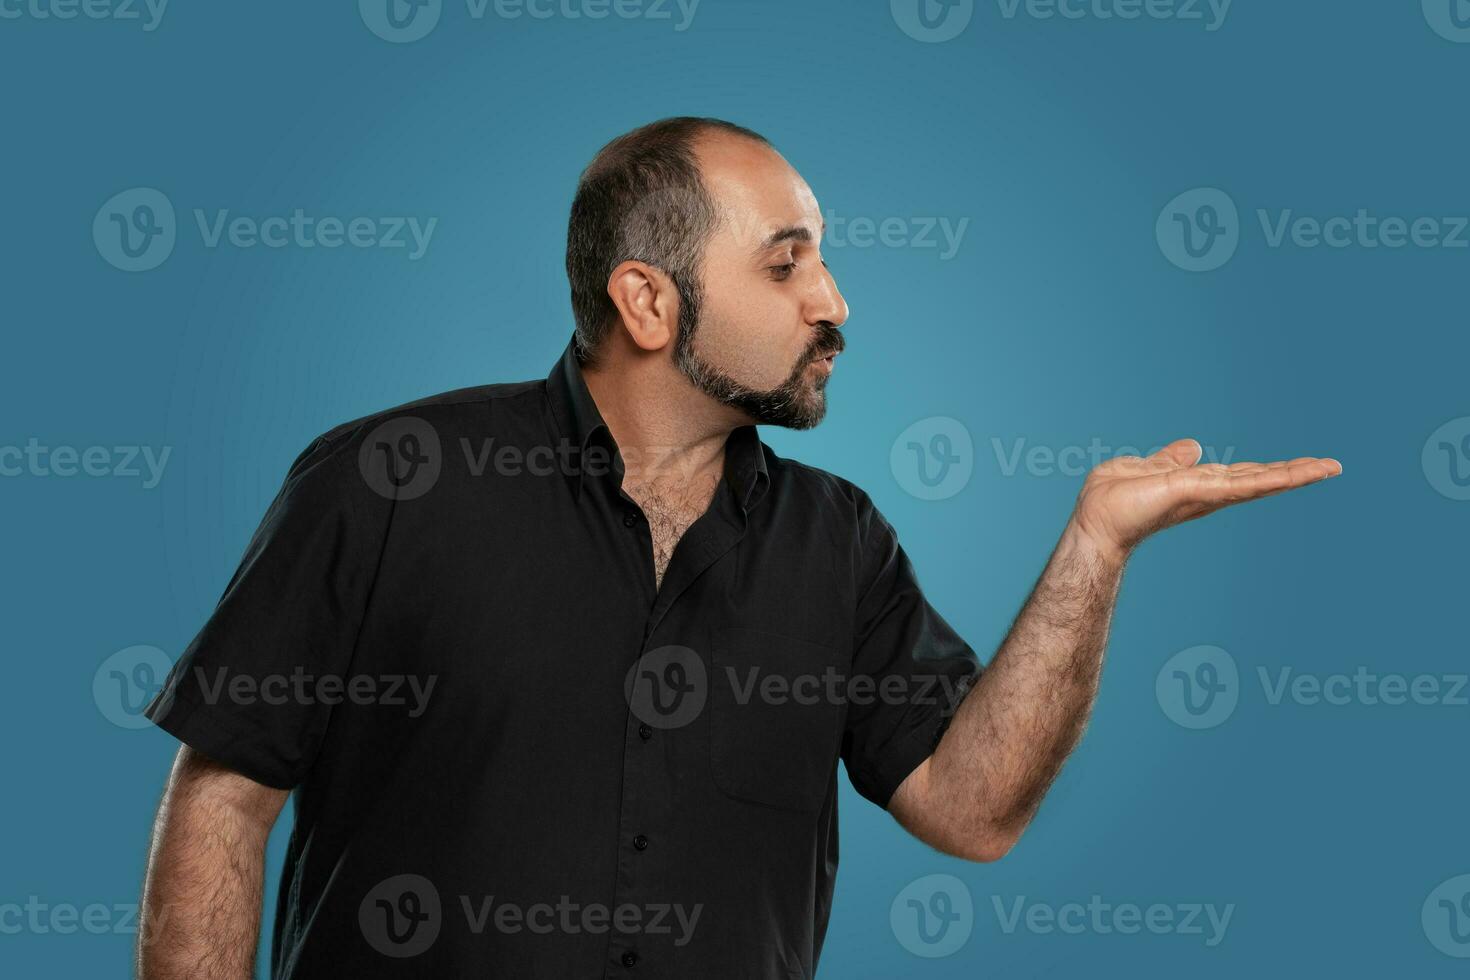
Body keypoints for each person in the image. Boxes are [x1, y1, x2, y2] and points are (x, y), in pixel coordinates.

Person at [136, 116, 1341, 979]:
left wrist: (1093, 548)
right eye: (786, 263)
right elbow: (226, 795)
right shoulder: (387, 482)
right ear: (649, 301)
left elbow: (971, 810)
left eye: (818, 256)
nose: (834, 300)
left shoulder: (842, 539)